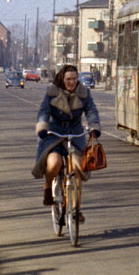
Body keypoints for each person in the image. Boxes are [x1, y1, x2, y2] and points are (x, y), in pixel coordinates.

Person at [32, 64, 100, 222]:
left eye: (74, 79)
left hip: (75, 134)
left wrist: (94, 127)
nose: (71, 82)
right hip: (54, 133)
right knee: (54, 162)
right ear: (62, 79)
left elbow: (91, 111)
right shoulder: (52, 92)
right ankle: (48, 186)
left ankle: (76, 210)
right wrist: (42, 128)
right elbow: (43, 112)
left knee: (77, 170)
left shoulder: (84, 93)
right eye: (68, 79)